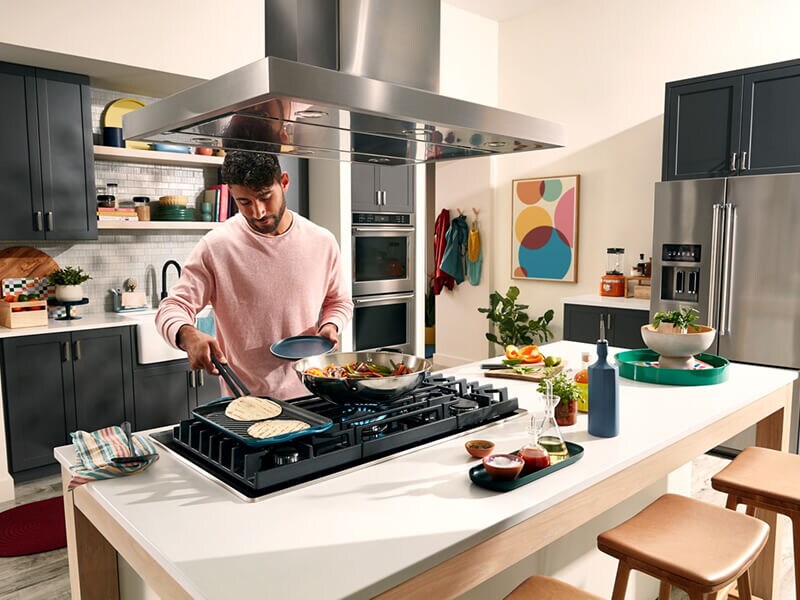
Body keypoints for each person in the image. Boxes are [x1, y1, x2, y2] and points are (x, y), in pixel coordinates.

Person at [156, 151, 353, 400]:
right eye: (244, 202)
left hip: (315, 393)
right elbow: (173, 306)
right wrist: (188, 335)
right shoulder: (217, 246)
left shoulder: (322, 241)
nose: (258, 212)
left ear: (284, 182)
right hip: (248, 402)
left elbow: (339, 301)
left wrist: (330, 325)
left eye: (265, 197)